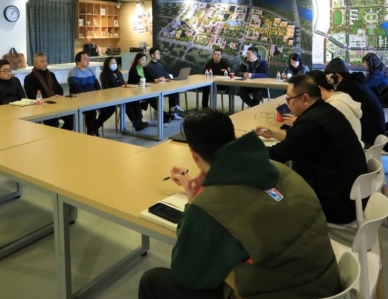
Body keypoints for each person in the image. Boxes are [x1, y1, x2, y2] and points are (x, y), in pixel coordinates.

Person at [139, 109, 341, 299]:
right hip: (325, 283)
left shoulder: (209, 207)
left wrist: (194, 203)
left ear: (194, 154)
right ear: (234, 137)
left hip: (279, 292)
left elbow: (186, 275)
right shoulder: (280, 170)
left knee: (153, 280)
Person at [256, 75, 367, 224]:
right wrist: (274, 133)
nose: (288, 104)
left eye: (289, 99)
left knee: (267, 190)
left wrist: (245, 147)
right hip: (350, 193)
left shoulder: (311, 124)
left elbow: (278, 154)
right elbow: (299, 142)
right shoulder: (326, 111)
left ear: (305, 99)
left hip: (335, 204)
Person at [324, 57, 385, 147]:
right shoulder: (354, 83)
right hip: (375, 135)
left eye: (328, 76)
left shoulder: (346, 89)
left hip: (367, 139)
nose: (327, 79)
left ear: (337, 76)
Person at [307, 70, 363, 147]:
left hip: (348, 151)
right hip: (354, 148)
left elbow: (318, 134)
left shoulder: (333, 106)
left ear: (318, 89)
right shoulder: (341, 97)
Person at [68, 51, 114, 136]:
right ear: (78, 61)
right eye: (85, 59)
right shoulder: (73, 72)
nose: (88, 61)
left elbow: (97, 85)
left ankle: (96, 126)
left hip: (94, 98)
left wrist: (100, 95)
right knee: (91, 111)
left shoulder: (90, 71)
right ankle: (90, 132)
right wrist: (89, 98)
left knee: (111, 107)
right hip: (81, 100)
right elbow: (76, 88)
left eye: (88, 59)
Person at [24, 53, 74, 131]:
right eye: (42, 61)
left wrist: (57, 96)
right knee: (53, 123)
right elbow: (31, 96)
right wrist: (49, 99)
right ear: (35, 63)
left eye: (46, 61)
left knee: (71, 118)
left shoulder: (51, 74)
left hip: (56, 103)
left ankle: (60, 135)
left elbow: (60, 89)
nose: (45, 64)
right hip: (42, 106)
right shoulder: (29, 78)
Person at [99, 56, 148, 131]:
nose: (114, 65)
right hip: (112, 96)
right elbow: (106, 87)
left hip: (122, 95)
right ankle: (135, 122)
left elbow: (122, 84)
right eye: (112, 63)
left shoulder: (118, 73)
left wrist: (126, 86)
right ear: (107, 64)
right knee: (127, 103)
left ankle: (139, 120)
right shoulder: (104, 74)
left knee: (135, 100)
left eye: (115, 63)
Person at [128, 52, 173, 125]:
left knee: (152, 99)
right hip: (134, 92)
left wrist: (158, 79)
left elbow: (151, 77)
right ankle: (165, 115)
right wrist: (151, 81)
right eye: (142, 60)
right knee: (151, 99)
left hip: (143, 91)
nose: (144, 61)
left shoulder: (145, 68)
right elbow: (138, 79)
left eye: (145, 60)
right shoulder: (133, 69)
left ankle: (164, 116)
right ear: (137, 60)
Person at [145, 47, 183, 118]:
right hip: (155, 89)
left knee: (174, 91)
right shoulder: (148, 67)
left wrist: (166, 78)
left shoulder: (160, 65)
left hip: (163, 87)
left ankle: (173, 112)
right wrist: (158, 79)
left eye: (159, 53)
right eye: (157, 53)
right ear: (152, 55)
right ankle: (173, 111)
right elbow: (150, 79)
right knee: (173, 93)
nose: (159, 54)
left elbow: (165, 75)